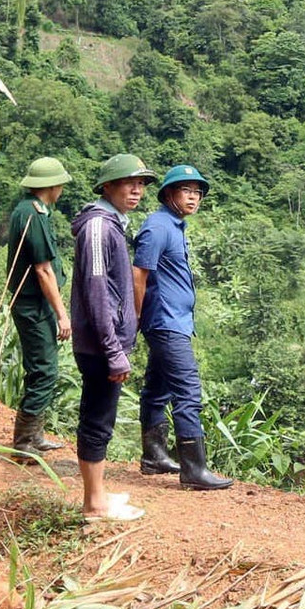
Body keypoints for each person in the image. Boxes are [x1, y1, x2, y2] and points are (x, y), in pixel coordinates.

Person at [69, 153, 157, 521]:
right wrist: (114, 350)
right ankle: (93, 504)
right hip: (100, 345)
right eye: (128, 182)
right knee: (97, 418)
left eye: (141, 184)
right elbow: (97, 293)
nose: (136, 189)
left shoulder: (111, 224)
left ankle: (99, 494)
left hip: (106, 343)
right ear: (107, 186)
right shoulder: (98, 228)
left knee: (100, 414)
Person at [133, 164, 232, 490]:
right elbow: (139, 275)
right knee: (188, 392)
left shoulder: (173, 226)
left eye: (197, 192)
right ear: (169, 194)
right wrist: (134, 320)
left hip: (174, 320)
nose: (194, 197)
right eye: (186, 191)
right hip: (165, 322)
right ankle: (193, 469)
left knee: (157, 388)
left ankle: (154, 456)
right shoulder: (158, 227)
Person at [5, 156, 73, 458]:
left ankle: (35, 436)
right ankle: (24, 443)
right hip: (33, 304)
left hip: (34, 303)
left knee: (39, 368)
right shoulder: (34, 215)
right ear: (52, 186)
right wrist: (62, 315)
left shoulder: (31, 211)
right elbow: (43, 270)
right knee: (44, 370)